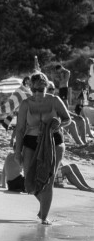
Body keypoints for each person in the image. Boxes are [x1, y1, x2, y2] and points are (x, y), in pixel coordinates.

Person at [14, 72, 71, 225]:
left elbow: (67, 119)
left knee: (48, 179)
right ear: (30, 89)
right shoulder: (26, 104)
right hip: (31, 141)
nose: (37, 93)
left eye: (41, 89)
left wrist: (59, 124)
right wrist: (17, 152)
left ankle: (44, 216)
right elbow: (20, 129)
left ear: (47, 87)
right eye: (34, 90)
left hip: (54, 142)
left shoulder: (54, 100)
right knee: (29, 180)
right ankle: (44, 204)